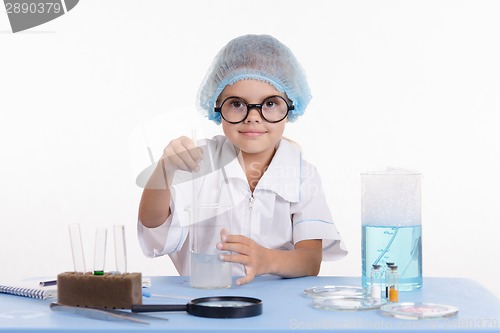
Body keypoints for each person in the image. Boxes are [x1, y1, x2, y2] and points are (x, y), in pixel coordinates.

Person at [137, 34, 347, 286]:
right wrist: (165, 169)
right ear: (217, 108)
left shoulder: (302, 173)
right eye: (237, 103)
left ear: (291, 108)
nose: (253, 117)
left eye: (270, 103)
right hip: (205, 300)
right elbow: (153, 224)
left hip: (278, 309)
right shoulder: (199, 161)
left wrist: (267, 259)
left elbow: (310, 261)